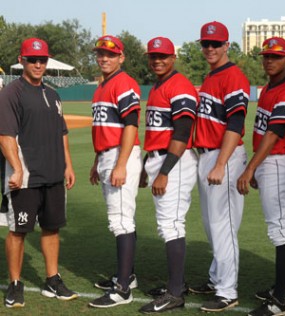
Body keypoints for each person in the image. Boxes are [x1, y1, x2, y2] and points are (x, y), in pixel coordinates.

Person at [0, 37, 78, 308]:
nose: (37, 64)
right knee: (18, 230)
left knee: (51, 228)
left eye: (42, 59)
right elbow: (5, 135)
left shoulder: (53, 94)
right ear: (22, 60)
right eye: (32, 59)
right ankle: (15, 283)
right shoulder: (12, 93)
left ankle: (52, 280)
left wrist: (67, 164)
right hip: (26, 177)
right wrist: (17, 168)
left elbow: (62, 132)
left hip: (54, 174)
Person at [236, 37, 285, 316]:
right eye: (266, 56)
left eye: (276, 57)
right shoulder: (270, 87)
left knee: (280, 229)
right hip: (271, 165)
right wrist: (258, 168)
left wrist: (251, 167)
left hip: (279, 163)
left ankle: (280, 300)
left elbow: (274, 134)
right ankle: (283, 287)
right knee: (278, 227)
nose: (269, 61)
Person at [189, 21, 250, 313]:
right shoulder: (211, 75)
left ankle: (228, 291)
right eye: (206, 44)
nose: (210, 48)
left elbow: (236, 123)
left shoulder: (234, 77)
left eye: (216, 44)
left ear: (227, 45)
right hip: (208, 157)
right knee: (212, 227)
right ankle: (216, 279)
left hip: (223, 157)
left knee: (223, 227)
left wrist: (221, 164)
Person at [137, 36, 198, 314]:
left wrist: (164, 172)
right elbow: (155, 133)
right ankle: (177, 284)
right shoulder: (161, 85)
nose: (157, 60)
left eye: (163, 56)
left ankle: (175, 294)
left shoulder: (180, 87)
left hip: (175, 162)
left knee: (171, 224)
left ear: (173, 58)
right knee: (168, 224)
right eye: (153, 56)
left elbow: (183, 133)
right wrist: (144, 166)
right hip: (159, 158)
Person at [88, 35, 142, 308]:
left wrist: (120, 164)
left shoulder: (124, 83)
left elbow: (131, 124)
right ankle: (127, 276)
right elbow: (104, 128)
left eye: (110, 54)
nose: (104, 58)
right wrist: (97, 161)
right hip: (108, 155)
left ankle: (122, 289)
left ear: (121, 57)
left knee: (120, 220)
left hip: (122, 156)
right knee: (122, 217)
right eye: (101, 54)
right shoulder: (102, 86)